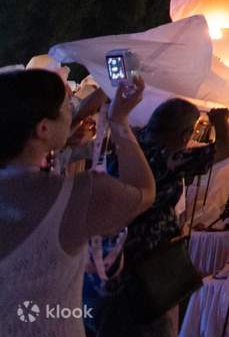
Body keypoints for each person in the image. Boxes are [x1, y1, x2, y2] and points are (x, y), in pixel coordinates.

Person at [0, 70, 156, 337]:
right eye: (66, 107)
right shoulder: (80, 194)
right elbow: (144, 192)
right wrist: (119, 121)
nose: (73, 112)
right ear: (43, 128)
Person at [85, 100, 229, 336]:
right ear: (186, 133)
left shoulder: (131, 145)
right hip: (146, 263)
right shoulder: (166, 158)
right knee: (148, 326)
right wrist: (220, 121)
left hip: (111, 257)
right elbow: (226, 148)